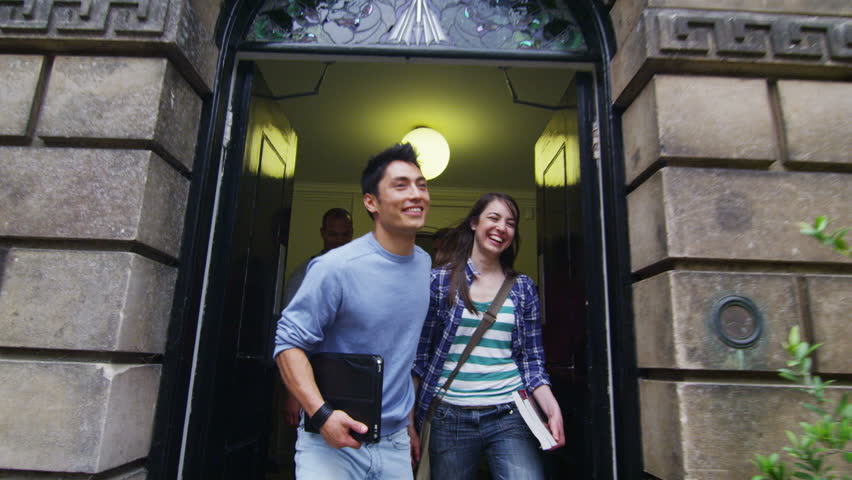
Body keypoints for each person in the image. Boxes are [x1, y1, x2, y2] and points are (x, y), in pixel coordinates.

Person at [273, 143, 432, 479]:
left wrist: (409, 424)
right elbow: (288, 345)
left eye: (422, 184)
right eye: (401, 185)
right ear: (370, 202)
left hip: (394, 445)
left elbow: (401, 354)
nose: (417, 194)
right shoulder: (335, 268)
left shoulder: (424, 265)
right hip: (332, 444)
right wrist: (321, 415)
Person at [412, 192, 565, 480]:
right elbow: (419, 358)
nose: (501, 227)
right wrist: (408, 422)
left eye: (510, 222)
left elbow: (532, 362)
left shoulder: (523, 288)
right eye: (493, 218)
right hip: (449, 416)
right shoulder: (439, 281)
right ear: (474, 223)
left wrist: (552, 409)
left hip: (510, 413)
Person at [280, 207, 354, 426]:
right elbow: (290, 336)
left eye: (344, 235)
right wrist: (292, 393)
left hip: (350, 376)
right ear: (323, 233)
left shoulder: (360, 273)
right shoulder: (304, 275)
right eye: (333, 234)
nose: (339, 241)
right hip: (311, 376)